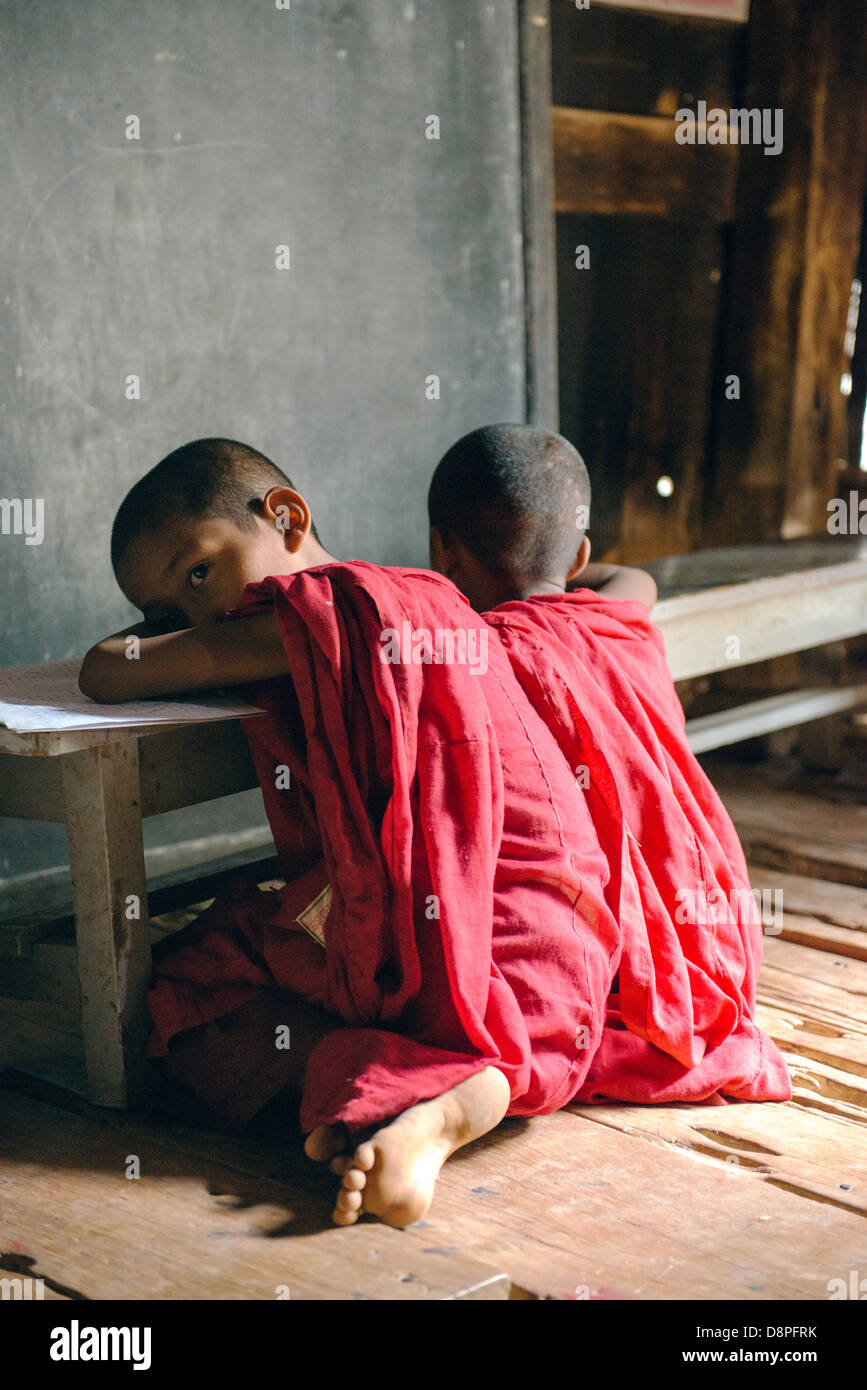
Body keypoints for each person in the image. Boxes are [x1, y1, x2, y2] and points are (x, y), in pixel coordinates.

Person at [80, 436, 623, 1228]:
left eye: (199, 573)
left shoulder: (331, 609)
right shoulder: (410, 597)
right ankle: (435, 1110)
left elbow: (105, 668)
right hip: (559, 944)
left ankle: (402, 1095)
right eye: (169, 613)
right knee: (230, 958)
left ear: (288, 516)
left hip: (488, 929)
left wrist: (152, 637)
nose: (202, 617)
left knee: (185, 994)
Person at [428, 423, 791, 1106]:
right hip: (715, 941)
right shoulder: (614, 617)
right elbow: (632, 575)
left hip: (596, 956)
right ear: (580, 556)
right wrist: (555, 567)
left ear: (441, 549)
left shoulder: (469, 648)